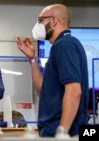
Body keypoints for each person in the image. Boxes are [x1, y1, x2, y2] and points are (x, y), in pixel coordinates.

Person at [16, 4, 89, 137]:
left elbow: (74, 90)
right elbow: (41, 90)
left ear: (54, 21)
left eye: (40, 20)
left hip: (65, 133)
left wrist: (62, 132)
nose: (37, 25)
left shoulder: (64, 45)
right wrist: (32, 59)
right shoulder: (59, 47)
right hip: (53, 132)